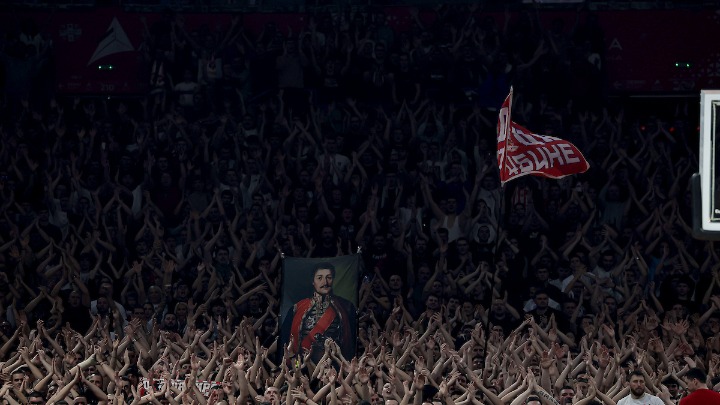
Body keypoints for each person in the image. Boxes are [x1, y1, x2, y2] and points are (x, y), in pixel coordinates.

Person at [281, 262, 356, 362]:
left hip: (334, 364)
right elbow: (286, 340)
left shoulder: (346, 307)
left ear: (333, 279)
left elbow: (350, 342)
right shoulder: (297, 308)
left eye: (329, 277)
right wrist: (295, 366)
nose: (325, 282)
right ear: (313, 281)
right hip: (302, 364)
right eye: (320, 278)